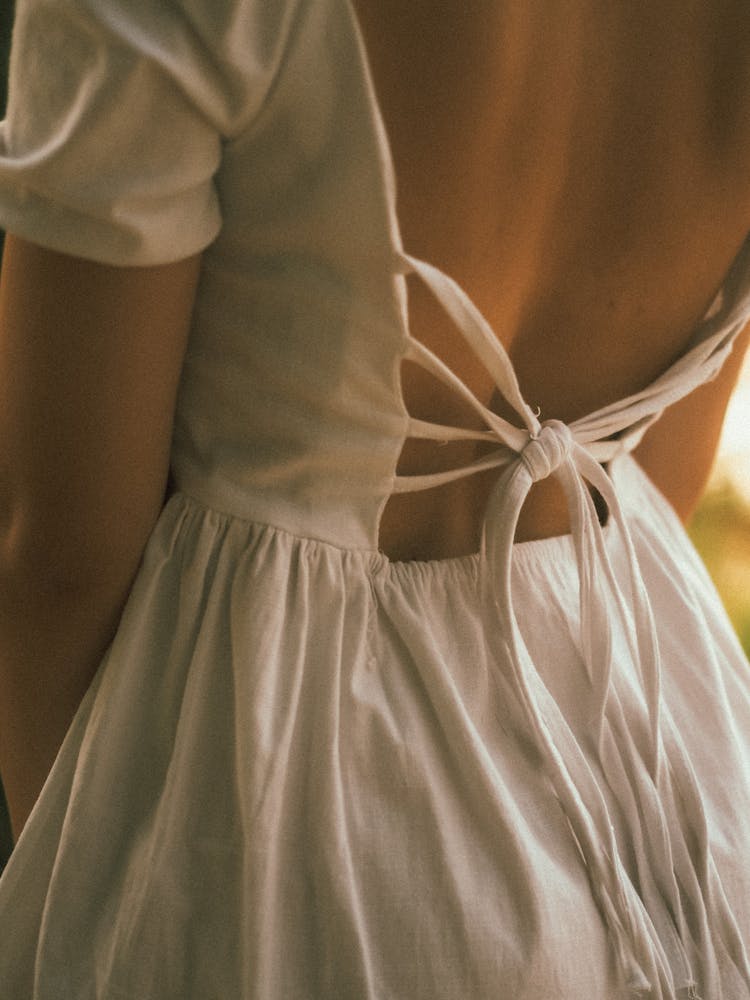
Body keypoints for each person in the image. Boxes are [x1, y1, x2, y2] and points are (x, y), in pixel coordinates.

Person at [0, 0, 749, 996]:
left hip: (279, 815)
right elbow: (659, 474)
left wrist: (88, 902)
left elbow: (59, 559)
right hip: (672, 781)